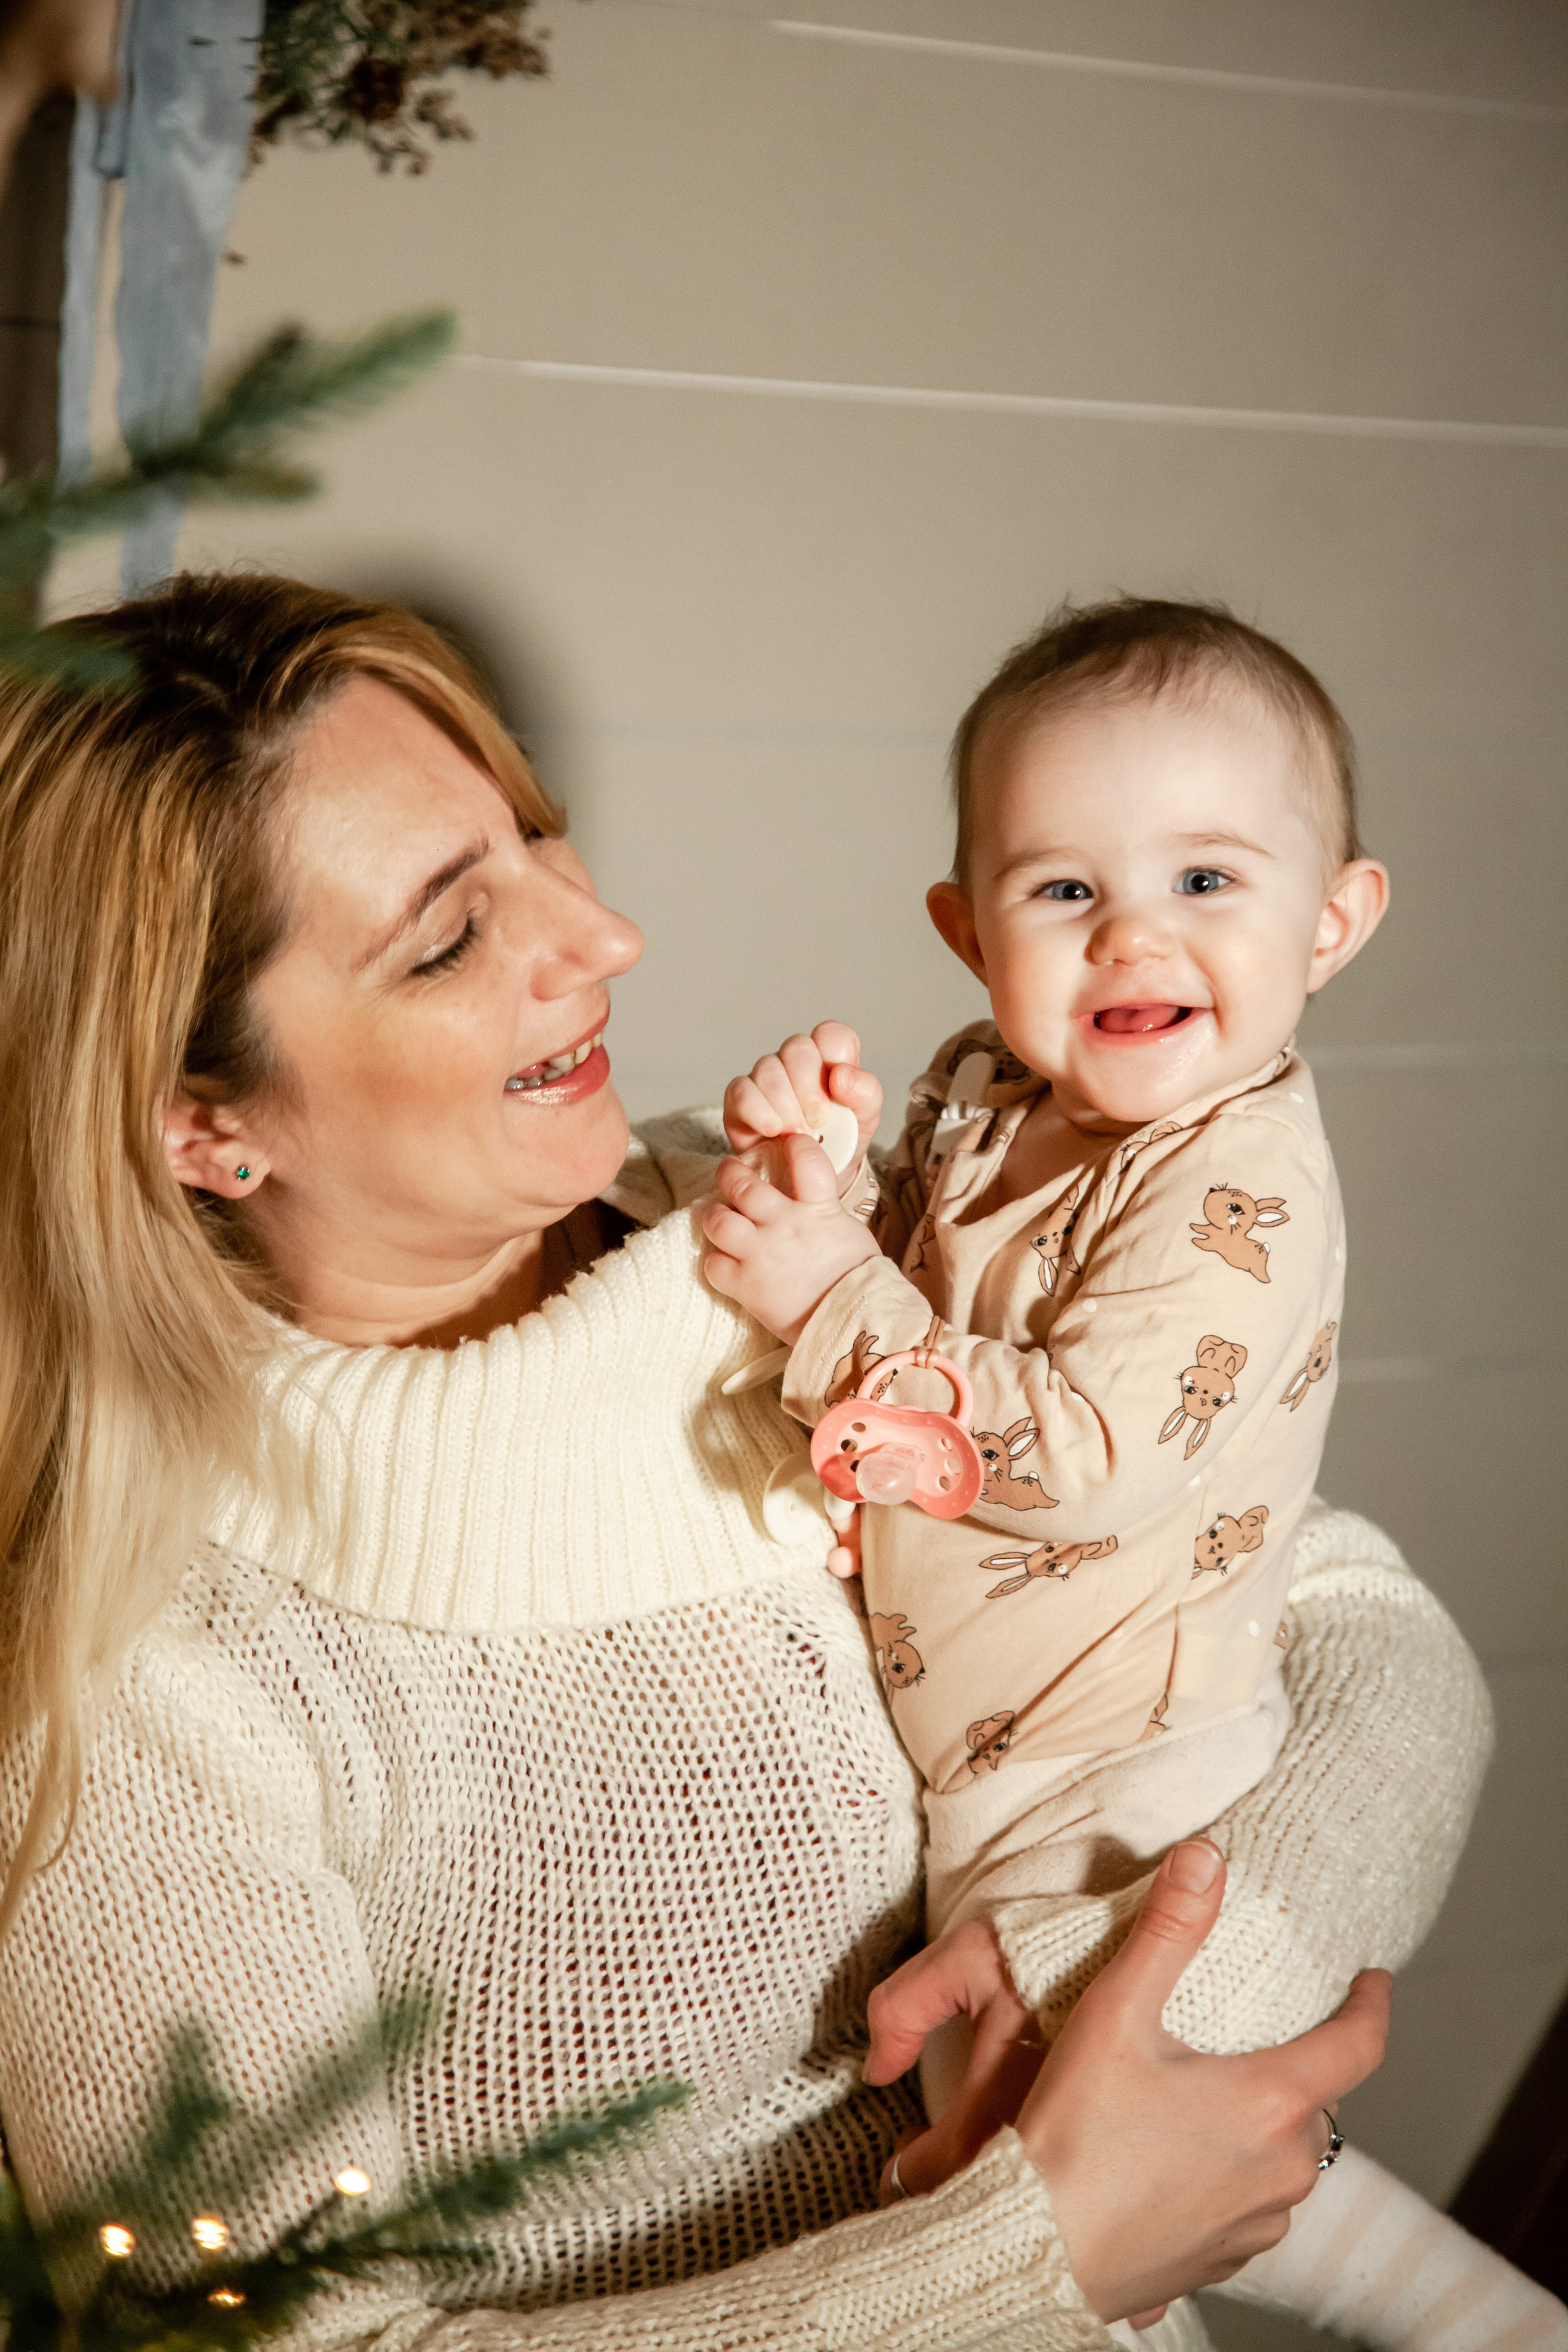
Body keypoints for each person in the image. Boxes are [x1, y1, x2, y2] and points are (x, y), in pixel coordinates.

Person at [0, 573, 1490, 2352]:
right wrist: (1035, 2248)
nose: (603, 936)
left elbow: (1345, 1616)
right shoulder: (131, 1684)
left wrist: (1157, 2005)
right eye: (450, 936)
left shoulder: (772, 1236)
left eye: (540, 837)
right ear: (203, 1121)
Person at [704, 598, 1566, 2351]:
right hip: (1001, 1737)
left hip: (1119, 1764)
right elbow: (900, 1259)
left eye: (1206, 881)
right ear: (965, 930)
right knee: (1053, 2131)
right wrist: (823, 1170)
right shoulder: (982, 1088)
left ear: (1335, 920)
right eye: (1064, 891)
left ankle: (1485, 2323)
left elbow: (1089, 1454)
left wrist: (827, 1299)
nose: (1129, 940)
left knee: (1059, 2133)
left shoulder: (1235, 1187)